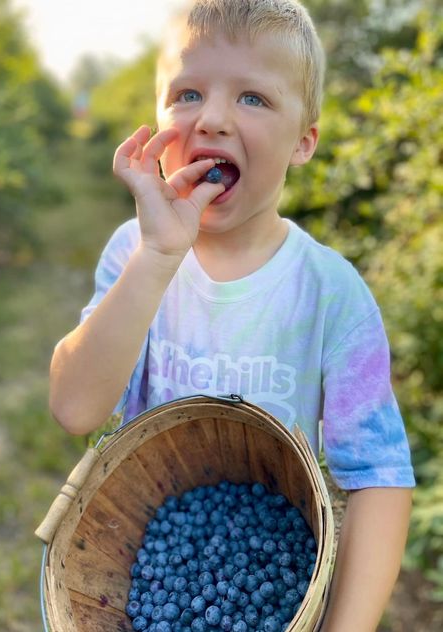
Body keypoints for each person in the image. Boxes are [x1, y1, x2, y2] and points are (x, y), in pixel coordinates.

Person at [49, 0, 415, 629]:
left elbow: (380, 476)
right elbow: (76, 408)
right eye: (187, 93)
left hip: (284, 575)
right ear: (159, 119)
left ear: (304, 141)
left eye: (253, 98)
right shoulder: (135, 256)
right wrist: (159, 253)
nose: (213, 118)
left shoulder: (329, 292)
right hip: (156, 533)